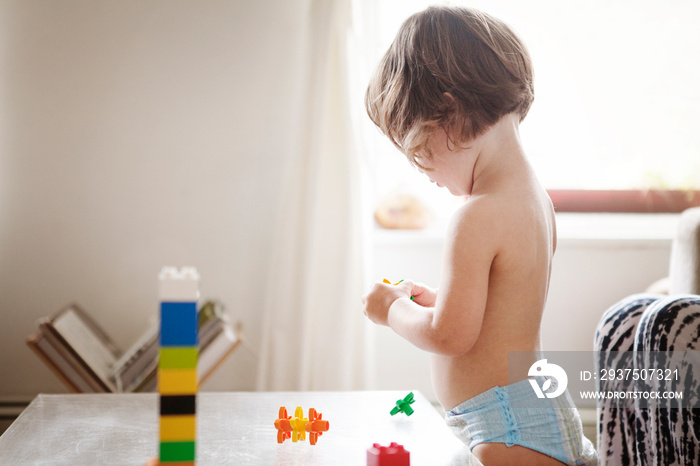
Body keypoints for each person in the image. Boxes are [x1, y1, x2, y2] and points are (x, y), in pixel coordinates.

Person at [362, 6, 597, 465]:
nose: (423, 172)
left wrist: (393, 309)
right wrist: (435, 298)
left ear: (448, 112)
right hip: (527, 416)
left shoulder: (476, 215)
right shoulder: (535, 201)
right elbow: (495, 313)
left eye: (418, 152)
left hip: (509, 430)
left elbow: (450, 336)